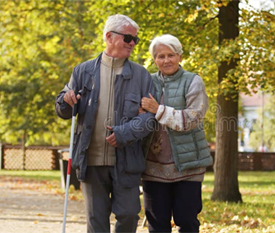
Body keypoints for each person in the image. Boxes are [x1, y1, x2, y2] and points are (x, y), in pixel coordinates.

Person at [55, 14, 155, 233]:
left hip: (127, 162)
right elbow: (62, 109)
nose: (132, 44)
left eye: (135, 40)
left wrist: (124, 133)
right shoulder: (83, 71)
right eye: (128, 38)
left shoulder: (141, 75)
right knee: (96, 223)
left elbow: (150, 119)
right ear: (109, 36)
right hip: (91, 162)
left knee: (129, 216)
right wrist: (65, 100)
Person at [141, 34, 213, 233]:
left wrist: (159, 110)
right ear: (154, 60)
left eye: (170, 55)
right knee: (157, 225)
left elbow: (192, 119)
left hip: (187, 167)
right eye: (160, 56)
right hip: (153, 167)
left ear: (180, 56)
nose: (166, 60)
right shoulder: (147, 81)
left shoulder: (193, 81)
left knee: (187, 221)